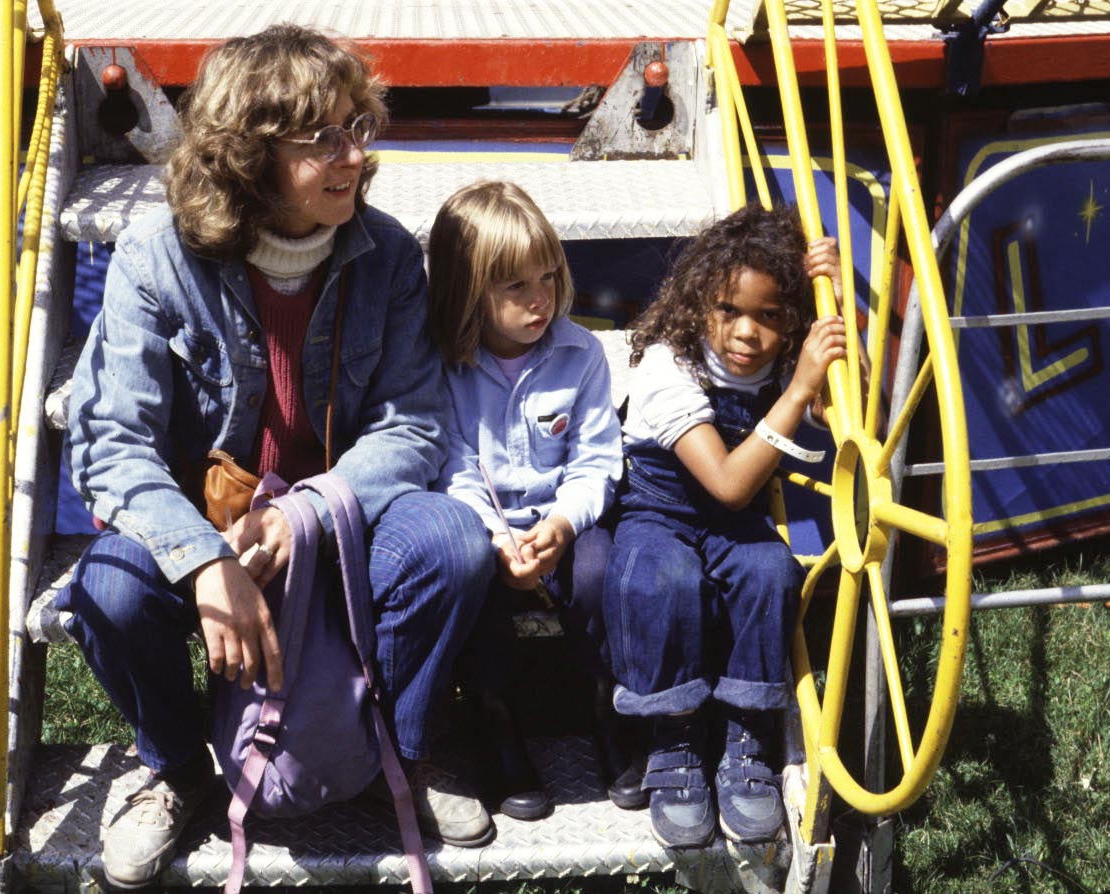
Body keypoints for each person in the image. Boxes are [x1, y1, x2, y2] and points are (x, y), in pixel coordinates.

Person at [60, 26, 496, 889]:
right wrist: (203, 561)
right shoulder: (158, 256)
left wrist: (304, 513)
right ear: (248, 156)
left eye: (358, 127)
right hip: (201, 516)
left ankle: (400, 747)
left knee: (453, 544)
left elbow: (413, 425)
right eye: (323, 139)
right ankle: (178, 769)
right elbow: (112, 445)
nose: (355, 156)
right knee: (107, 592)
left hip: (334, 516)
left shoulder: (389, 254)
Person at [603, 203, 846, 848]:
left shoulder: (785, 357)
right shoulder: (667, 365)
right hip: (658, 514)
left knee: (770, 569)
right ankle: (674, 736)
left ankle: (748, 735)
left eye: (771, 316)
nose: (747, 333)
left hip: (731, 526)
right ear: (697, 304)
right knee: (664, 578)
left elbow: (849, 407)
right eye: (729, 311)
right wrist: (797, 391)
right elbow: (732, 485)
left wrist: (838, 316)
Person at [426, 181, 629, 821]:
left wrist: (566, 524)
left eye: (547, 276)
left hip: (561, 520)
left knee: (601, 573)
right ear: (469, 292)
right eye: (515, 287)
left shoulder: (581, 355)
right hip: (486, 527)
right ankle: (494, 715)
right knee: (470, 580)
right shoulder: (443, 367)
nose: (539, 299)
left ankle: (607, 704)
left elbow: (597, 459)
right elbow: (451, 461)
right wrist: (495, 537)